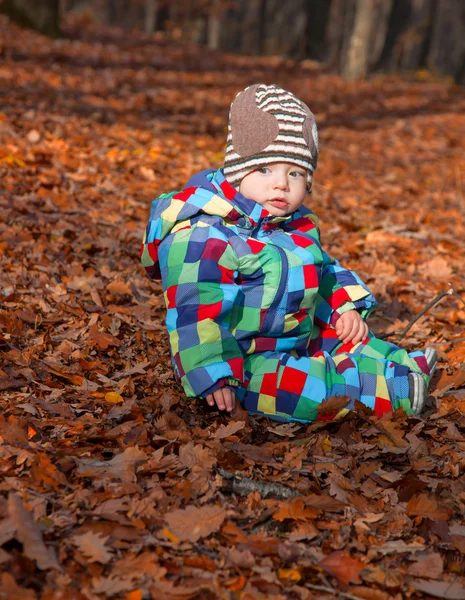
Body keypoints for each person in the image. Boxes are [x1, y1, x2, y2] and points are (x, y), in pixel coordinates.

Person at [140, 84, 437, 422]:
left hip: (294, 337)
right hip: (242, 361)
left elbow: (321, 270)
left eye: (295, 173)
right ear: (238, 170)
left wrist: (342, 306)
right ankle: (392, 392)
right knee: (309, 387)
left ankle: (404, 365)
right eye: (265, 170)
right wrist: (214, 373)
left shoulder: (294, 225)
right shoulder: (203, 234)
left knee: (345, 339)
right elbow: (195, 308)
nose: (281, 184)